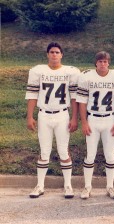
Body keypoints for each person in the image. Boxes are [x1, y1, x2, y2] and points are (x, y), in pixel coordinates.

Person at [25, 42, 80, 199]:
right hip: (44, 115)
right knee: (44, 150)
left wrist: (75, 118)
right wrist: (30, 116)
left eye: (57, 52)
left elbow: (75, 97)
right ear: (47, 55)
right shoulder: (38, 71)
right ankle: (40, 185)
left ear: (61, 55)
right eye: (51, 52)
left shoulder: (70, 72)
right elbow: (32, 95)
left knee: (63, 150)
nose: (54, 54)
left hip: (62, 114)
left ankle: (68, 185)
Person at [76, 51, 114, 199]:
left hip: (109, 119)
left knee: (110, 155)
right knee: (90, 155)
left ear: (108, 63)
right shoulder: (87, 77)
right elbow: (82, 102)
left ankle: (110, 186)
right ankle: (87, 187)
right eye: (100, 61)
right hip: (93, 119)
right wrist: (84, 122)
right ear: (95, 63)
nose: (102, 64)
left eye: (105, 61)